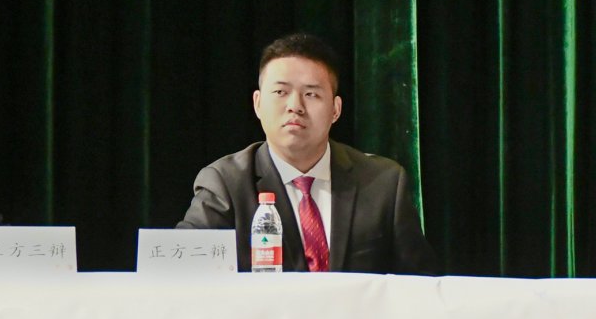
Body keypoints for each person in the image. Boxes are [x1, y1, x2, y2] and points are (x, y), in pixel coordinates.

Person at [178, 32, 440, 274]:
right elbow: (181, 271)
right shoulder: (226, 183)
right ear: (257, 103)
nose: (295, 106)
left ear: (336, 109)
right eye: (281, 92)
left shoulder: (383, 183)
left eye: (311, 94)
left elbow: (421, 284)